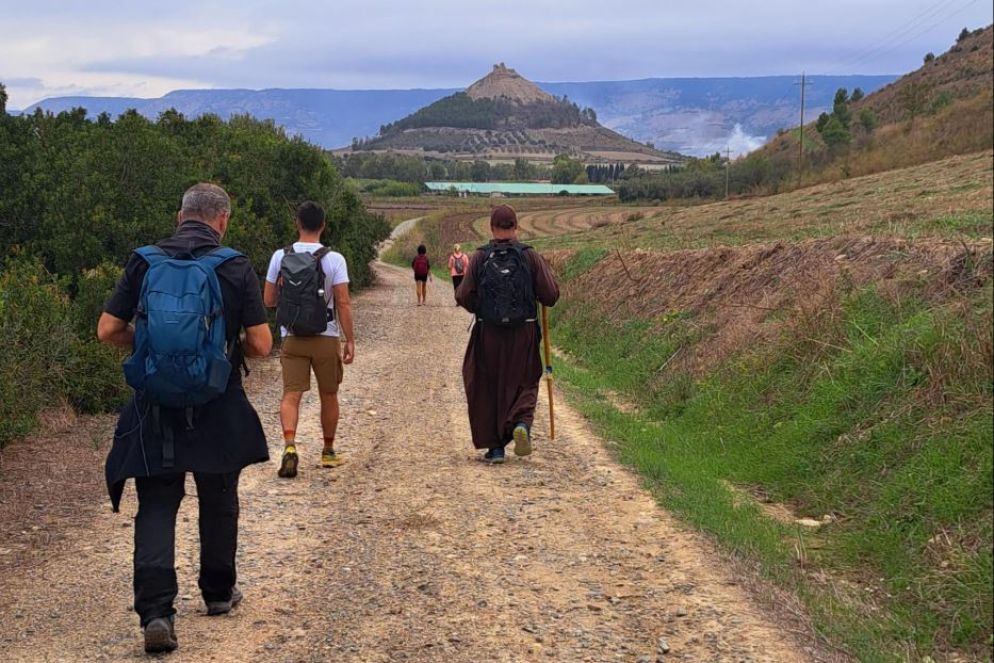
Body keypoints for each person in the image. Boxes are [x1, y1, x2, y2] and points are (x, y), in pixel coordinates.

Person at [97, 183, 273, 653]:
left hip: (154, 405)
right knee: (219, 498)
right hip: (217, 403)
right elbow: (260, 344)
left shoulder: (144, 261)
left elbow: (107, 329)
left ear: (180, 217)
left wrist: (150, 346)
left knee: (156, 504)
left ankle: (157, 612)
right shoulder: (234, 266)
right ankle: (217, 593)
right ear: (222, 221)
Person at [455, 205, 560, 464]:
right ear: (516, 227)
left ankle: (496, 448)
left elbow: (463, 295)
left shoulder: (480, 257)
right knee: (525, 379)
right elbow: (550, 295)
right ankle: (521, 424)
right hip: (523, 332)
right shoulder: (529, 256)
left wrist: (482, 307)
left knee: (487, 385)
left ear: (491, 228)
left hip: (488, 332)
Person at [264, 201, 355, 478]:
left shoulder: (280, 256)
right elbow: (343, 303)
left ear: (297, 224)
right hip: (325, 336)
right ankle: (328, 452)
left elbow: (268, 300)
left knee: (291, 395)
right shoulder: (334, 259)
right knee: (329, 395)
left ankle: (290, 445)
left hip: (292, 336)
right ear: (323, 225)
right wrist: (349, 339)